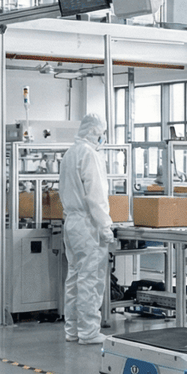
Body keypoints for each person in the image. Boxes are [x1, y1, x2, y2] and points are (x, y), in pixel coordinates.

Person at [60, 113, 116, 346]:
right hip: (87, 224)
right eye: (102, 134)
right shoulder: (90, 155)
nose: (102, 138)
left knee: (74, 277)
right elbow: (96, 196)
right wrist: (105, 226)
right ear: (95, 132)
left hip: (71, 223)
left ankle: (72, 330)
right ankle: (89, 331)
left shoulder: (69, 153)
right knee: (90, 279)